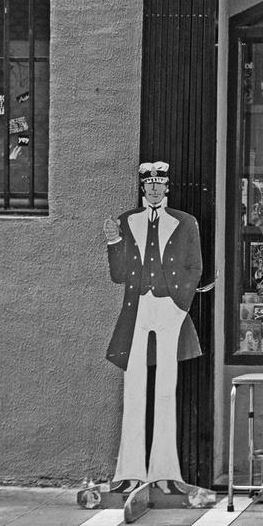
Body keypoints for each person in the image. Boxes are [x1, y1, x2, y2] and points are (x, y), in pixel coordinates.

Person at [102, 161, 203, 496]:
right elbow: (119, 274)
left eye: (160, 184)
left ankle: (165, 471)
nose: (154, 190)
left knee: (166, 386)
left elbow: (195, 267)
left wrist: (179, 306)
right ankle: (129, 470)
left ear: (167, 187)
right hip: (138, 308)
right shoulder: (127, 222)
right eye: (149, 185)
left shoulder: (185, 223)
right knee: (133, 384)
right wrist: (114, 242)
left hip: (169, 308)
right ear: (142, 188)